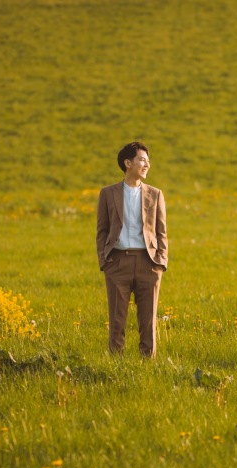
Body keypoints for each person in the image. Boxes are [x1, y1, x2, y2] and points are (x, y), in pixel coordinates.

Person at [97, 142, 168, 357]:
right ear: (128, 163)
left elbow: (161, 231)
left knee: (148, 320)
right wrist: (105, 261)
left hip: (149, 263)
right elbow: (102, 230)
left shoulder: (155, 194)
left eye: (148, 160)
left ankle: (148, 365)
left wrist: (160, 262)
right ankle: (115, 365)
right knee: (117, 320)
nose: (147, 164)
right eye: (142, 160)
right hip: (117, 263)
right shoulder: (108, 193)